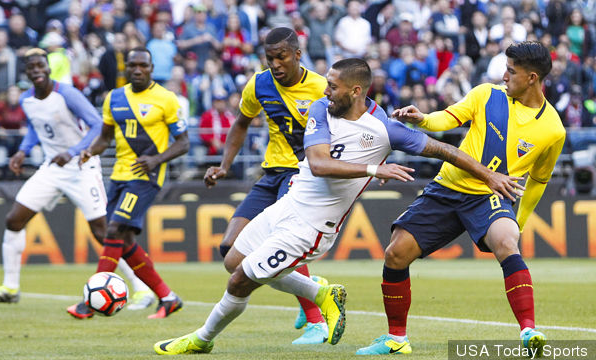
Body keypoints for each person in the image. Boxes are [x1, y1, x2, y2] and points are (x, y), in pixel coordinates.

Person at [153, 58, 523, 356]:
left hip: (312, 226)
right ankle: (321, 294)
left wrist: (489, 178)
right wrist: (373, 167)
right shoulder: (320, 107)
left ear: (356, 90)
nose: (325, 89)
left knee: (240, 281)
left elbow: (445, 150)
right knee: (232, 259)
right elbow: (318, 163)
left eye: (333, 85)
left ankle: (201, 340)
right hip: (288, 206)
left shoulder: (386, 129)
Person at [356, 41, 565, 356]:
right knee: (395, 254)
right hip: (447, 189)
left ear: (532, 78)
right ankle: (396, 338)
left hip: (488, 196)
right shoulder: (486, 94)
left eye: (511, 71)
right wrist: (423, 119)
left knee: (508, 242)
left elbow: (538, 180)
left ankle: (528, 330)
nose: (503, 76)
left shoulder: (554, 129)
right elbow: (449, 118)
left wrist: (519, 220)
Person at [0, 48, 152, 309]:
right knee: (14, 219)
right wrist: (23, 151)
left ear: (48, 68)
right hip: (52, 168)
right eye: (31, 67)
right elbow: (36, 127)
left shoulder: (66, 93)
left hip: (81, 166)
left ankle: (142, 289)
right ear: (26, 71)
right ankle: (10, 287)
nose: (36, 70)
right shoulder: (27, 99)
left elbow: (96, 125)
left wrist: (72, 152)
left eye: (40, 66)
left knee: (104, 233)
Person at [203, 27, 330, 345]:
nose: (275, 64)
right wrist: (224, 165)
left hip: (301, 175)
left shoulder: (321, 87)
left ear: (298, 55)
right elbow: (241, 123)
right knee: (230, 252)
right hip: (270, 174)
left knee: (280, 245)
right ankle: (310, 289)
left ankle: (317, 322)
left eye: (281, 56)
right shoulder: (258, 84)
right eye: (270, 57)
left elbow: (355, 120)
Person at [67, 47, 190, 319]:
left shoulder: (166, 99)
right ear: (126, 69)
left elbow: (184, 143)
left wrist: (157, 159)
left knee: (112, 230)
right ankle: (168, 298)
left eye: (142, 65)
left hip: (146, 177)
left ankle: (89, 301)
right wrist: (89, 151)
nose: (137, 70)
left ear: (151, 68)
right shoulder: (114, 97)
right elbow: (104, 137)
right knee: (124, 239)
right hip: (119, 176)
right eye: (132, 65)